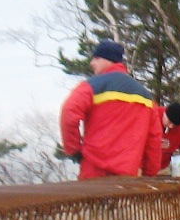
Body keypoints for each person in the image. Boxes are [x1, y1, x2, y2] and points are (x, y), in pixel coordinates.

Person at [59, 38, 162, 179]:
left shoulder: (91, 86)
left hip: (94, 172)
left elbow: (69, 113)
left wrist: (74, 150)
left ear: (108, 59)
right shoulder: (146, 97)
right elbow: (154, 138)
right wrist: (150, 173)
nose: (92, 63)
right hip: (128, 177)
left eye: (96, 58)